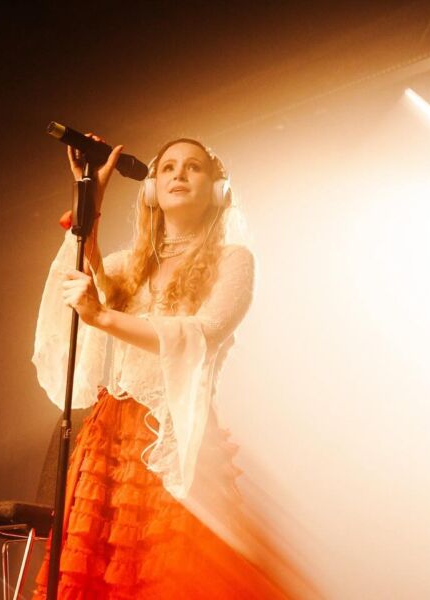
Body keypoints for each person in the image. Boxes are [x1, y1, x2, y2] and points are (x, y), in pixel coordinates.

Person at [30, 135, 282, 598]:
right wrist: (91, 197)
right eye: (167, 167)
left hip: (176, 433)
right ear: (150, 189)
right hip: (109, 436)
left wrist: (103, 316)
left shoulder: (234, 261)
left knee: (168, 574)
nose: (179, 174)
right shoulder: (129, 264)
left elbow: (203, 333)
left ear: (218, 189)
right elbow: (77, 271)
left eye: (193, 167)